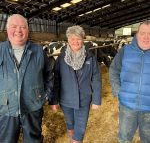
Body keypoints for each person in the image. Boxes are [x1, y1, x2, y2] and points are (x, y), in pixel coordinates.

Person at [0, 14, 57, 143]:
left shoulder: (38, 51)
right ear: (7, 29)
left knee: (34, 140)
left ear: (28, 30)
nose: (18, 31)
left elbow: (49, 74)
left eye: (23, 27)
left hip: (33, 106)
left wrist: (46, 95)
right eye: (14, 26)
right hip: (4, 109)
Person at [54, 25, 102, 143]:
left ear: (83, 40)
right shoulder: (61, 58)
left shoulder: (90, 58)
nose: (75, 42)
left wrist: (96, 100)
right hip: (66, 100)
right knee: (70, 127)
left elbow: (96, 78)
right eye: (72, 39)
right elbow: (56, 79)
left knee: (79, 133)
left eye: (78, 39)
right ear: (68, 41)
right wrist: (53, 100)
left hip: (83, 100)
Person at [109, 20, 150, 143]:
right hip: (127, 107)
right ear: (137, 34)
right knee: (124, 139)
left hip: (149, 109)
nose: (146, 37)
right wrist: (118, 91)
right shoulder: (125, 51)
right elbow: (114, 70)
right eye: (143, 33)